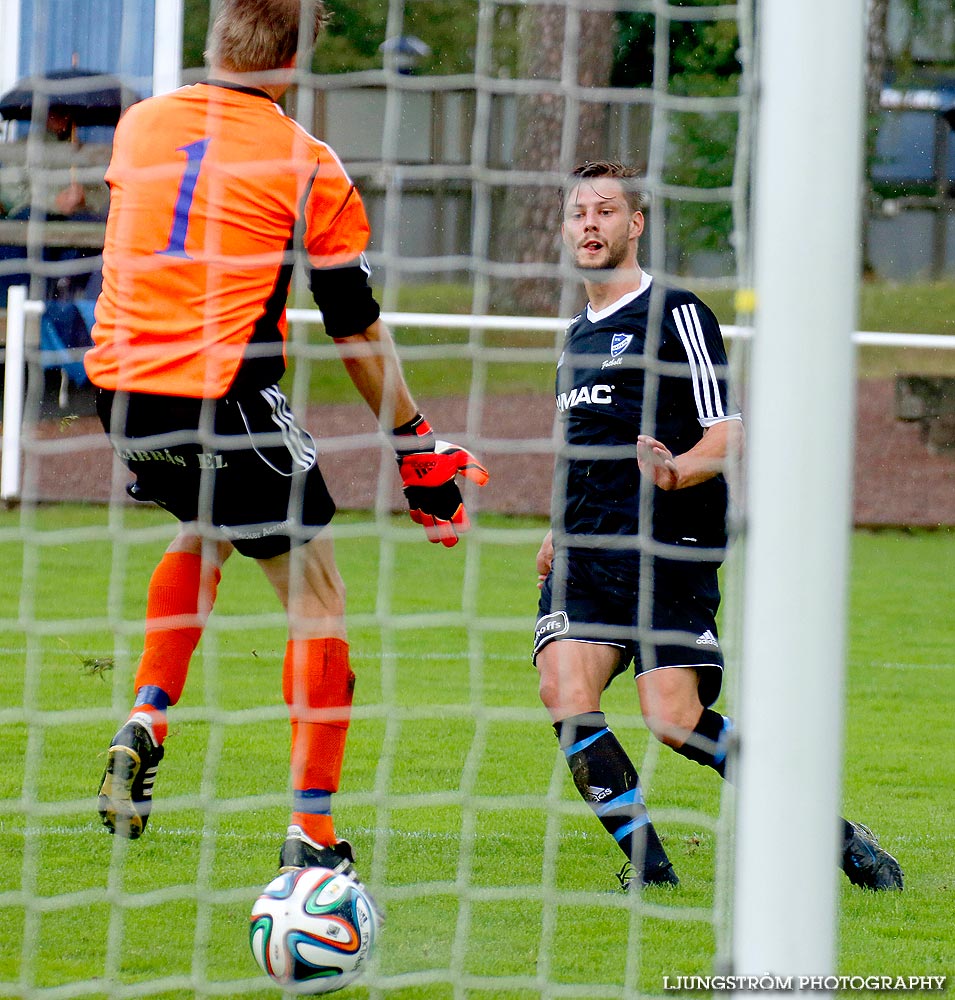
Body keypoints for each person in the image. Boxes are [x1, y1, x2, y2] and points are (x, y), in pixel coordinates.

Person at [85, 0, 487, 881]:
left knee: (204, 531)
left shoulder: (140, 128)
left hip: (118, 395)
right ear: (298, 60)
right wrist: (414, 443)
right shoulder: (306, 160)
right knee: (319, 598)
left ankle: (147, 716)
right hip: (221, 396)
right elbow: (353, 328)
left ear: (215, 37)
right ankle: (311, 829)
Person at [533, 159, 902, 891]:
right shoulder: (574, 334)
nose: (589, 225)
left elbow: (725, 432)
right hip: (587, 549)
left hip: (669, 544)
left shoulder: (675, 311)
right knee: (564, 688)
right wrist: (553, 527)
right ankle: (651, 874)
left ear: (634, 224)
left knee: (673, 719)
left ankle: (831, 835)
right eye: (579, 213)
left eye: (605, 212)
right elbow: (577, 444)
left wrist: (677, 472)